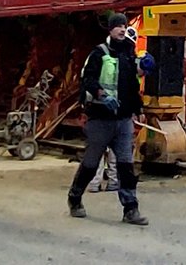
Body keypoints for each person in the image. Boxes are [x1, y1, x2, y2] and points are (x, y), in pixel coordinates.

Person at [69, 14, 154, 226]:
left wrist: (138, 108)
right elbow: (87, 79)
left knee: (126, 165)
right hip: (100, 118)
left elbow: (132, 85)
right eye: (118, 26)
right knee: (90, 163)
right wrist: (101, 95)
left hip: (123, 119)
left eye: (124, 26)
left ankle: (131, 209)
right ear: (110, 30)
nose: (122, 29)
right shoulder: (99, 53)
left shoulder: (128, 53)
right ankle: (75, 198)